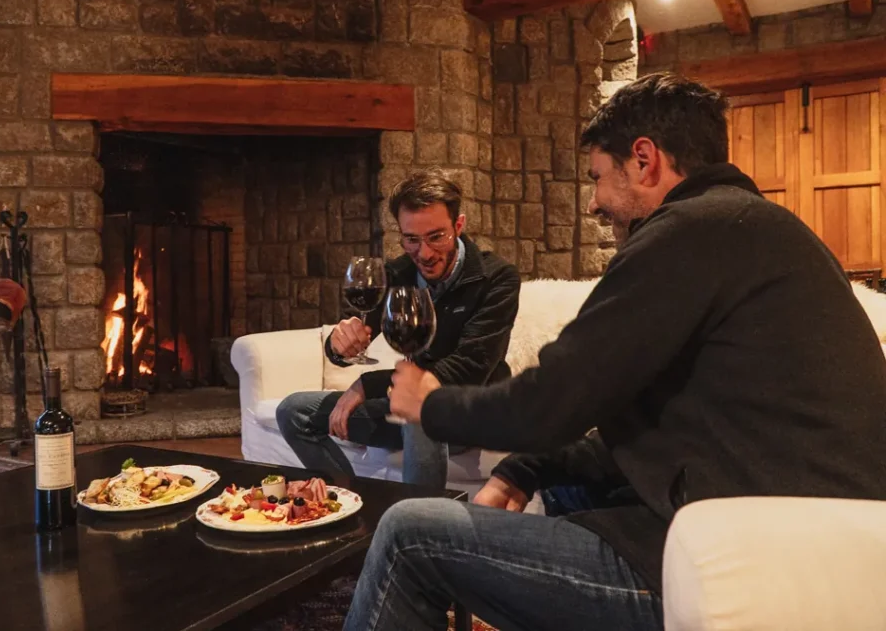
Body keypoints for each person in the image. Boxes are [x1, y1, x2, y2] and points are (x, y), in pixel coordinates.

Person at [344, 73, 886, 631]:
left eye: (599, 177)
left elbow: (557, 398)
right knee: (571, 485)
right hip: (802, 540)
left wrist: (429, 404)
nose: (597, 203)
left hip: (747, 564)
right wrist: (526, 469)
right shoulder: (756, 230)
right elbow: (656, 431)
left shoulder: (688, 232)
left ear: (645, 160)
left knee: (408, 532)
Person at [275, 170, 520, 489]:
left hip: (473, 411)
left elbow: (470, 368)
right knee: (293, 412)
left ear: (458, 226)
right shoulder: (396, 274)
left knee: (418, 407)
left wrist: (367, 384)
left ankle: (417, 529)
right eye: (412, 240)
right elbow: (356, 335)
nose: (426, 253)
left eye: (436, 237)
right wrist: (338, 345)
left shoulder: (496, 278)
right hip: (407, 406)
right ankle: (355, 503)